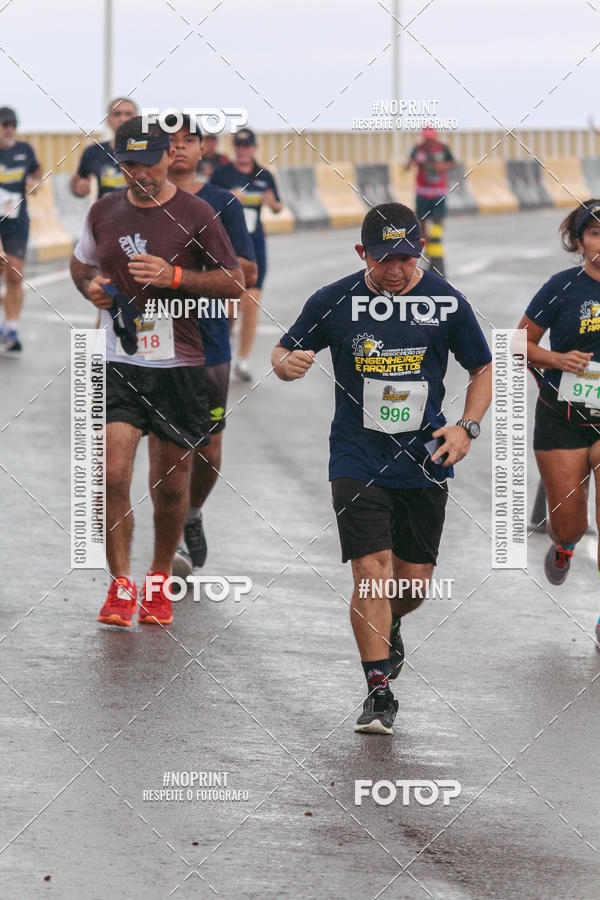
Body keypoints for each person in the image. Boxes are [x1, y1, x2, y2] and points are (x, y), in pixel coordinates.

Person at [272, 202, 492, 734]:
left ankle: (389, 628)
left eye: (406, 258)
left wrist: (466, 426)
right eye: (384, 258)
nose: (396, 269)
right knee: (371, 573)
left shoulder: (444, 300)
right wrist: (289, 365)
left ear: (420, 251)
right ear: (362, 253)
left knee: (412, 586)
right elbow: (283, 353)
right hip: (356, 456)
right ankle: (378, 693)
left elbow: (483, 366)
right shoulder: (335, 299)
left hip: (424, 456)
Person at [70, 116, 243, 628]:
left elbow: (233, 281)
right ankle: (120, 585)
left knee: (170, 486)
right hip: (118, 361)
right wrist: (89, 288)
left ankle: (159, 578)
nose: (139, 173)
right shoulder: (103, 212)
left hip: (178, 366)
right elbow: (81, 264)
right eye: (130, 164)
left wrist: (175, 276)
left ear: (169, 157)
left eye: (149, 163)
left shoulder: (197, 212)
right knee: (113, 472)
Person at [167, 115, 257, 573]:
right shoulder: (140, 202)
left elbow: (248, 273)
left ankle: (193, 514)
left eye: (189, 141)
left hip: (209, 343)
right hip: (154, 344)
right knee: (166, 448)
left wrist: (195, 264)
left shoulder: (223, 202)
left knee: (208, 450)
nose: (180, 148)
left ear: (203, 150)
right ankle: (173, 539)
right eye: (171, 142)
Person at [517, 201, 600, 631]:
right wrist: (556, 358)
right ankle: (564, 545)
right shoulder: (562, 287)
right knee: (569, 522)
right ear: (580, 241)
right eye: (596, 234)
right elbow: (517, 343)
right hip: (561, 416)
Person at [211, 127, 282, 381]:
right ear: (234, 148)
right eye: (238, 146)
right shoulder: (221, 175)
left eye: (247, 146)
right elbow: (206, 207)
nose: (243, 150)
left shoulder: (263, 175)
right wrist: (227, 201)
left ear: (254, 147)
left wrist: (271, 203)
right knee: (229, 306)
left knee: (251, 304)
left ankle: (242, 361)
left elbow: (277, 206)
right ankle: (226, 347)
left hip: (255, 246)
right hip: (228, 246)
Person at [0, 106, 41, 353]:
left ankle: (12, 327)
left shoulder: (24, 150)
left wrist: (34, 182)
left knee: (14, 275)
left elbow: (36, 173)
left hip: (16, 220)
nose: (10, 129)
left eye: (13, 124)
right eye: (5, 124)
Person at [70, 97, 138, 200]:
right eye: (117, 114)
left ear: (137, 119)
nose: (122, 118)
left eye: (128, 114)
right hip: (103, 214)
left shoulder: (149, 151)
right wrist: (78, 187)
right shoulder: (92, 152)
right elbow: (78, 184)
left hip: (140, 214)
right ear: (108, 119)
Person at [405, 127, 455, 252]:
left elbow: (453, 163)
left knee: (438, 217)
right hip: (422, 191)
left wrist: (442, 166)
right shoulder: (418, 149)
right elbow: (408, 164)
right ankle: (424, 242)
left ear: (435, 136)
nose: (429, 142)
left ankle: (436, 238)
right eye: (426, 139)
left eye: (431, 139)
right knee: (421, 218)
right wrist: (411, 163)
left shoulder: (443, 148)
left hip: (438, 191)